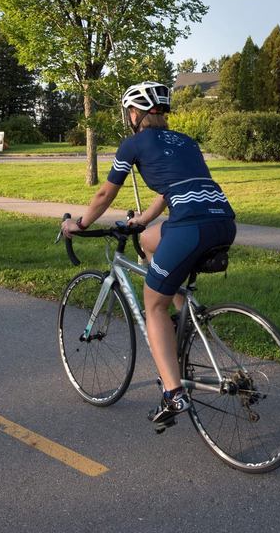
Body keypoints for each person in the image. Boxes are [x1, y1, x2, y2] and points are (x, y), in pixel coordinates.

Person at [60, 81, 236, 427]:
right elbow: (175, 190)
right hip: (223, 221)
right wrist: (141, 221)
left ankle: (174, 393)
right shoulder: (187, 141)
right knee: (150, 242)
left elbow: (104, 196)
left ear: (133, 113)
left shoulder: (133, 144)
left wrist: (78, 225)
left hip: (189, 227)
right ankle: (186, 314)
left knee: (152, 302)